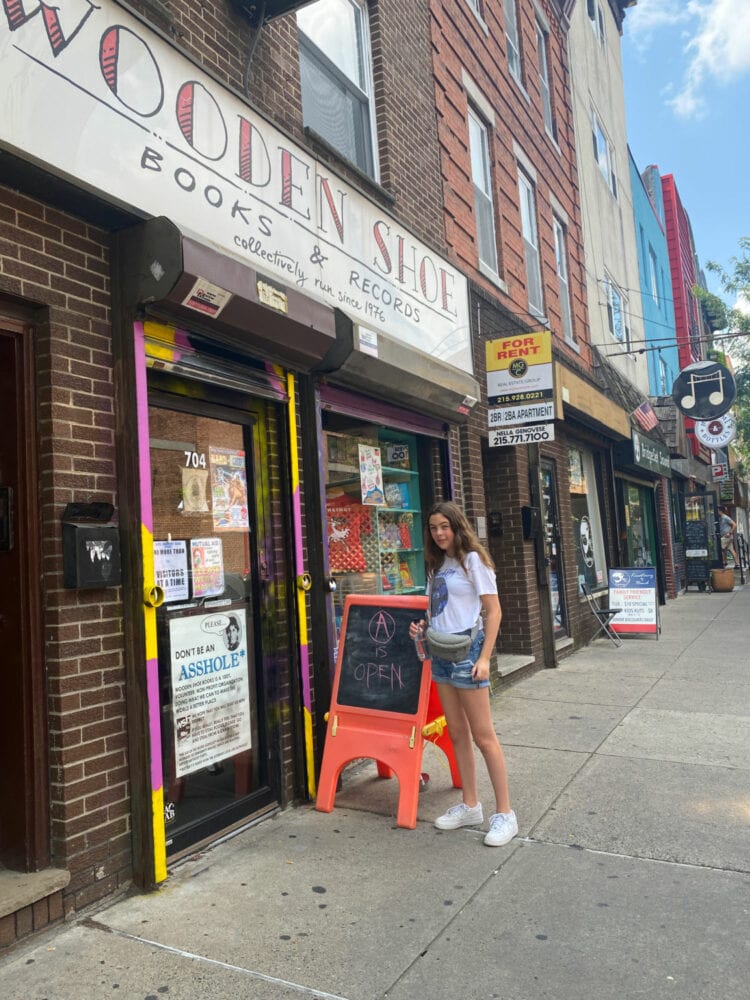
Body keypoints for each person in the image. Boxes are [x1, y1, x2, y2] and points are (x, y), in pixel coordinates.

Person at [409, 501, 517, 847]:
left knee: (483, 736)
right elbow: (437, 608)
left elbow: (494, 611)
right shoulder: (437, 564)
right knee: (456, 733)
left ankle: (505, 814)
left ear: (457, 526)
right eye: (433, 528)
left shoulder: (473, 560)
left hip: (468, 653)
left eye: (445, 526)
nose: (439, 533)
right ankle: (471, 805)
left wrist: (485, 658)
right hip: (440, 652)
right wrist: (421, 627)